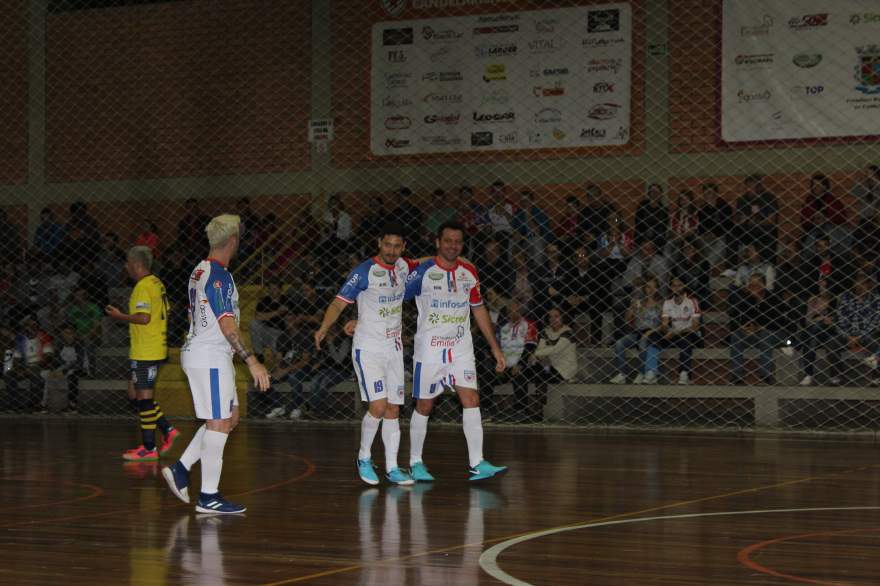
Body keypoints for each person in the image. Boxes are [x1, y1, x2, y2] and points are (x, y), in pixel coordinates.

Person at [162, 214, 271, 514]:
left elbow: (191, 316)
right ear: (233, 241)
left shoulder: (199, 270)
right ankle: (208, 496)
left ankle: (182, 468)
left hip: (210, 353)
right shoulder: (220, 276)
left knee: (229, 417)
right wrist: (252, 361)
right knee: (219, 423)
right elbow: (227, 326)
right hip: (209, 355)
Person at [403, 221, 508, 481]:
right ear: (438, 242)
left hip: (460, 348)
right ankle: (415, 463)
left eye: (457, 242)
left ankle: (478, 463)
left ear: (463, 244)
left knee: (471, 400)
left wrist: (495, 347)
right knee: (425, 405)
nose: (453, 246)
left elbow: (479, 308)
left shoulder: (469, 271)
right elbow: (395, 293)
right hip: (429, 350)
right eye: (447, 240)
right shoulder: (422, 270)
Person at [314, 223, 418, 486]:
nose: (392, 251)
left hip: (394, 348)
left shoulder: (404, 266)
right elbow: (339, 302)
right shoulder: (364, 271)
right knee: (379, 406)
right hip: (368, 349)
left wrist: (453, 257)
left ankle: (393, 467)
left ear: (403, 247)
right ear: (378, 243)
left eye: (397, 246)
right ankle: (363, 457)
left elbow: (427, 262)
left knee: (394, 408)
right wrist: (325, 327)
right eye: (387, 245)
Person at [105, 246, 179, 461]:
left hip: (147, 350)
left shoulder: (142, 287)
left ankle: (149, 447)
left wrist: (120, 316)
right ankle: (167, 429)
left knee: (144, 399)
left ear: (137, 265)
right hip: (151, 347)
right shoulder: (157, 282)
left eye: (127, 263)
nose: (125, 266)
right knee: (134, 394)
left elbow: (144, 317)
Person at [482, 299, 538, 422]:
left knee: (520, 376)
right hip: (505, 366)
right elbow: (495, 347)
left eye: (516, 309)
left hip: (524, 364)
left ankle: (520, 411)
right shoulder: (503, 328)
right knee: (487, 376)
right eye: (510, 310)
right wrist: (499, 364)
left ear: (521, 310)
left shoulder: (529, 324)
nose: (513, 312)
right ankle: (486, 410)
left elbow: (531, 347)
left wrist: (520, 365)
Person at [729, 274, 785, 385]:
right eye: (750, 285)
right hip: (757, 334)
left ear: (763, 285)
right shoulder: (746, 300)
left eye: (756, 285)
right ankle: (737, 375)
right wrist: (744, 327)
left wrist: (759, 327)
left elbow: (780, 322)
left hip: (780, 336)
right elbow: (736, 319)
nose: (752, 287)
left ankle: (765, 376)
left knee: (766, 334)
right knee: (736, 335)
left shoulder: (773, 299)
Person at [645, 276, 701, 385]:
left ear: (684, 286)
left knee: (686, 339)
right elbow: (665, 324)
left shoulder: (692, 301)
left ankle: (685, 373)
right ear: (670, 287)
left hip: (689, 333)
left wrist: (676, 332)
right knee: (654, 337)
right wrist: (665, 330)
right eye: (674, 285)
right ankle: (651, 372)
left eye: (679, 285)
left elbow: (695, 326)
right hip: (674, 334)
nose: (676, 288)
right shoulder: (667, 303)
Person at [525, 307, 578, 420]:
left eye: (556, 316)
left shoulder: (568, 332)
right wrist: (537, 355)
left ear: (563, 318)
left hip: (564, 370)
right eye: (550, 316)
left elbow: (556, 349)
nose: (553, 319)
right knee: (537, 370)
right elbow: (541, 348)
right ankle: (538, 406)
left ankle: (537, 408)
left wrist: (535, 354)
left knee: (537, 371)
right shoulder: (546, 331)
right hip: (549, 367)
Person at [610, 276, 663, 384]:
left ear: (657, 288)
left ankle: (642, 372)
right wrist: (631, 309)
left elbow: (664, 324)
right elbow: (627, 319)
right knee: (620, 343)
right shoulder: (639, 302)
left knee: (643, 343)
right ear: (645, 288)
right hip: (638, 332)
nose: (651, 290)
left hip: (653, 332)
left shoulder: (662, 303)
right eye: (648, 287)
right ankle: (622, 374)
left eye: (654, 287)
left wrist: (651, 331)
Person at [52, 323, 89, 414]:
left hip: (80, 369)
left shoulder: (79, 345)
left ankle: (72, 405)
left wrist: (65, 370)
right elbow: (57, 360)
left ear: (75, 334)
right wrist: (57, 369)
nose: (68, 335)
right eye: (65, 333)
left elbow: (80, 363)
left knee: (72, 377)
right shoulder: (59, 344)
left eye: (70, 333)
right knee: (48, 375)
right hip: (65, 368)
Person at [249, 280, 288, 360]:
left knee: (280, 358)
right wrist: (277, 312)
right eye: (270, 288)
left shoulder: (287, 300)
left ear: (280, 289)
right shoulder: (264, 301)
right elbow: (258, 317)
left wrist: (266, 316)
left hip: (281, 333)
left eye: (274, 289)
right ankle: (259, 354)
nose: (271, 291)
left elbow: (292, 318)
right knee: (253, 323)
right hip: (266, 330)